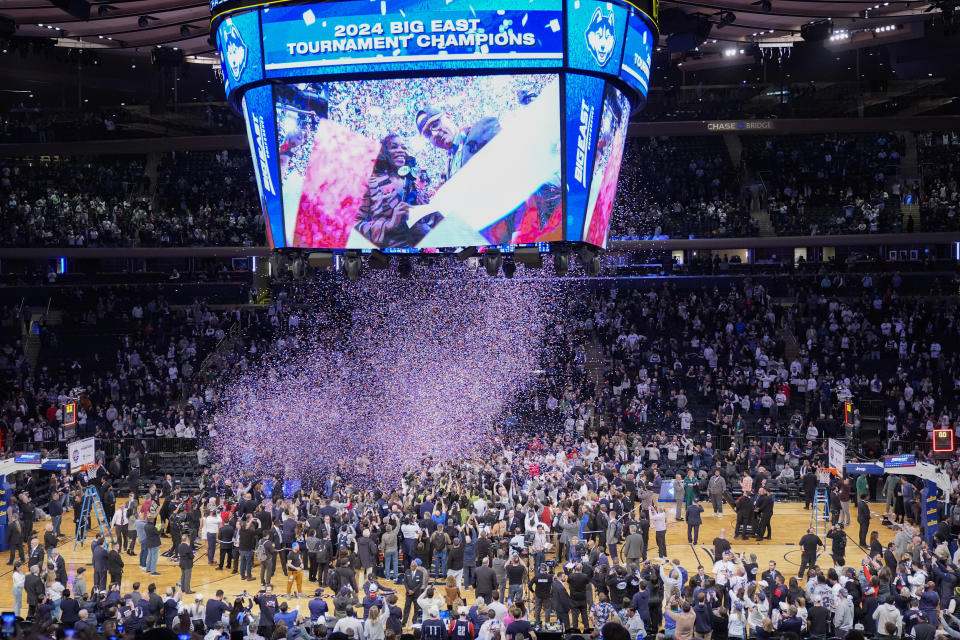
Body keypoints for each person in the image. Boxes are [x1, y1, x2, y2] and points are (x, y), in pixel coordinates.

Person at [355, 135, 435, 249]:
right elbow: (356, 224)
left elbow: (420, 223)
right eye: (394, 147)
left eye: (403, 147)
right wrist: (389, 225)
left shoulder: (411, 182)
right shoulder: (370, 183)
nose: (401, 150)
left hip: (415, 252)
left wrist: (424, 210)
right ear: (384, 152)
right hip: (384, 256)